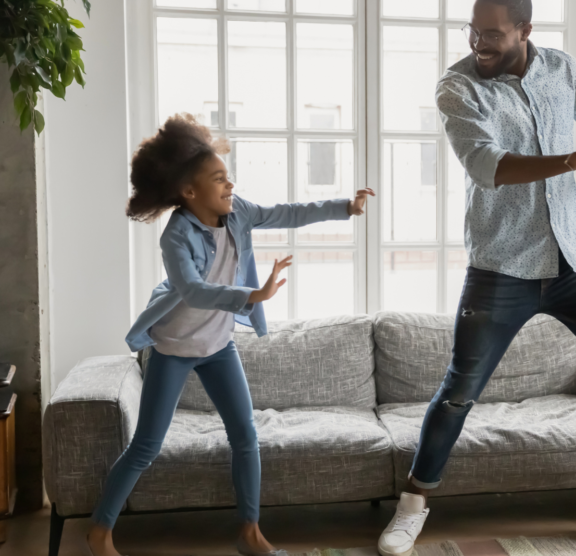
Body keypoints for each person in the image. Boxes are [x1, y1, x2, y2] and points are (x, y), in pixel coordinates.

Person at [376, 0, 576, 555]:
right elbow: (486, 165)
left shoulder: (560, 68)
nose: (477, 43)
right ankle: (413, 506)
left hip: (575, 257)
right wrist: (572, 160)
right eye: (472, 31)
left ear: (523, 29)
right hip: (502, 265)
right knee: (458, 391)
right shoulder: (458, 87)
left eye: (490, 34)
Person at [86, 113, 374, 556]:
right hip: (175, 349)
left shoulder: (238, 214)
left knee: (245, 435)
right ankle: (100, 532)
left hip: (219, 346)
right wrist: (252, 295)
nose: (230, 185)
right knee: (146, 445)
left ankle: (249, 532)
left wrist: (344, 207)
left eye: (229, 176)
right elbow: (193, 290)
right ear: (189, 191)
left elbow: (288, 212)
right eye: (219, 179)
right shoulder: (177, 236)